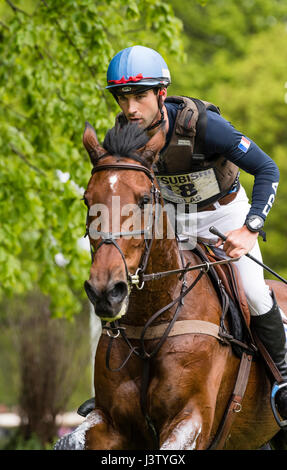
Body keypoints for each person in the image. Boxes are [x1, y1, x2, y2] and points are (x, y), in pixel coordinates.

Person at [105, 45, 287, 419]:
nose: (131, 109)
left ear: (161, 94)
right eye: (123, 99)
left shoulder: (203, 126)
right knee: (126, 285)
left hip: (225, 215)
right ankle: (115, 390)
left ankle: (283, 381)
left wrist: (250, 228)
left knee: (253, 292)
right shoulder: (122, 136)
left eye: (139, 96)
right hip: (172, 222)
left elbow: (267, 169)